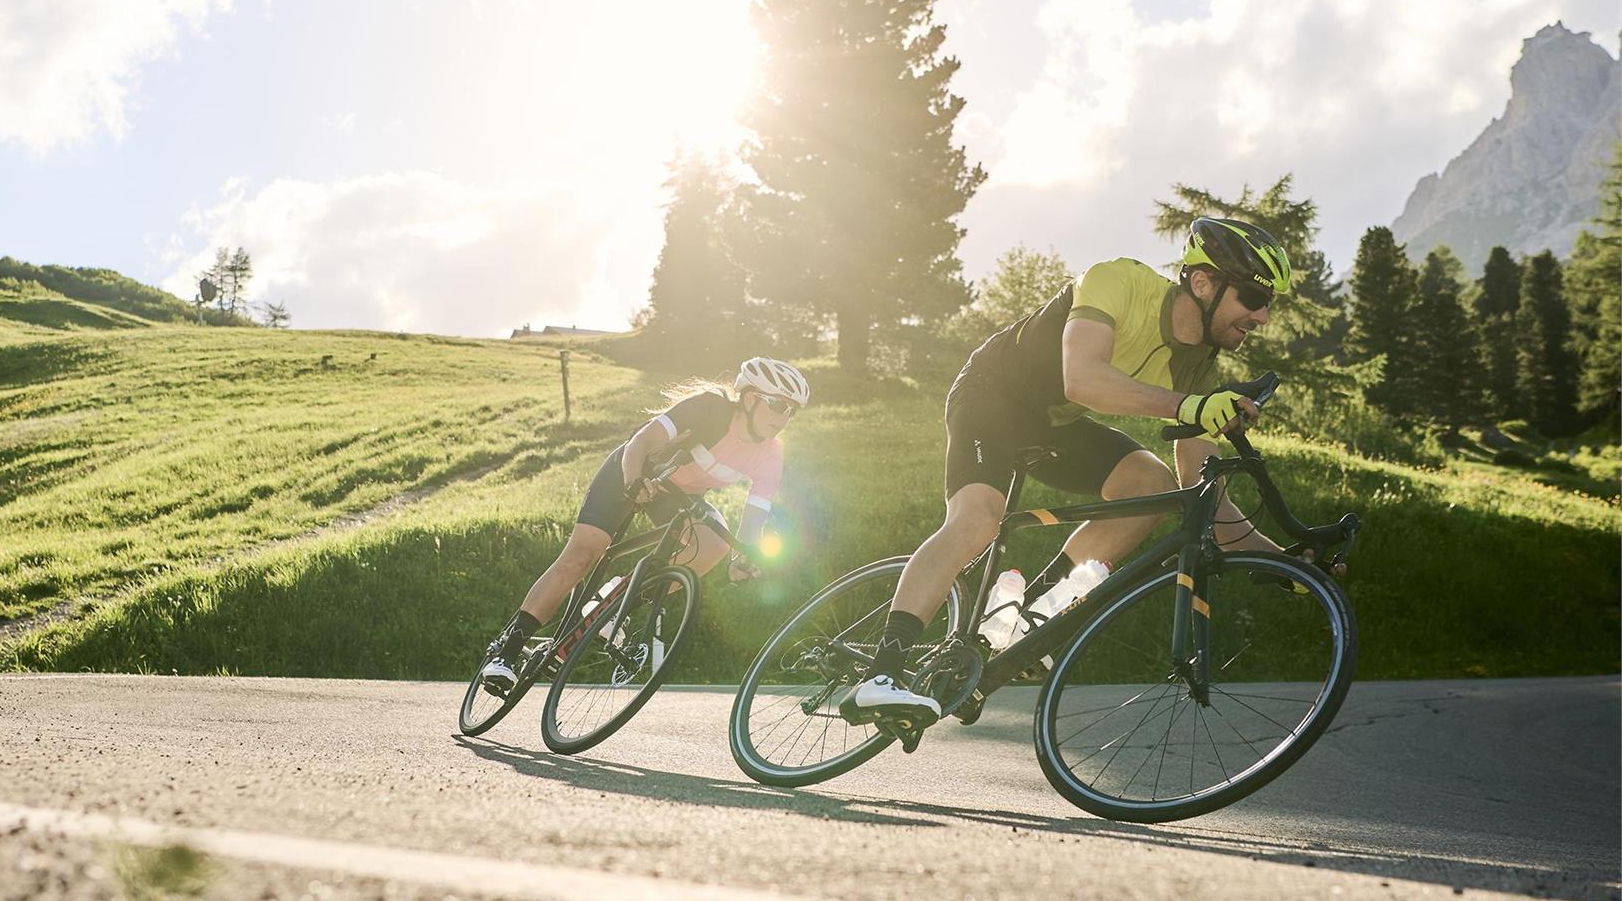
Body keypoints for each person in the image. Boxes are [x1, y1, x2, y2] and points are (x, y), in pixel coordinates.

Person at [842, 217, 1299, 727]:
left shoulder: (1196, 365)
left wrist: (1289, 564)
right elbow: (1081, 378)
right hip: (991, 394)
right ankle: (879, 676)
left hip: (1051, 424)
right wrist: (1189, 406)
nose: (1261, 316)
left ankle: (1020, 621)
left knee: (1153, 486)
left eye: (1269, 304)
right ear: (1203, 282)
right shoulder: (1118, 281)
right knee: (977, 521)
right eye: (1254, 297)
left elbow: (1203, 491)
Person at [478, 356, 810, 694]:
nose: (784, 417)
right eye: (778, 405)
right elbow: (641, 442)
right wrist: (634, 481)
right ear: (751, 398)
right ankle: (505, 653)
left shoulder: (771, 454)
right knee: (581, 556)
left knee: (716, 545)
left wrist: (744, 558)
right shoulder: (709, 409)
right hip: (634, 471)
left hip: (679, 496)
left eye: (791, 411)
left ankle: (614, 604)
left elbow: (755, 516)